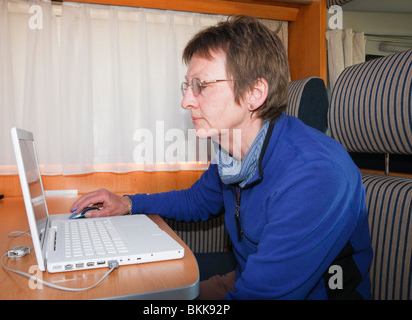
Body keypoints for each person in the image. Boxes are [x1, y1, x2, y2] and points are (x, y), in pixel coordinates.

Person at [70, 15, 373, 299]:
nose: (186, 100)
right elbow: (197, 201)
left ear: (255, 93)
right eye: (187, 86)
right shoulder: (233, 151)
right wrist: (128, 203)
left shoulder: (315, 175)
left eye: (200, 86)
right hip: (247, 276)